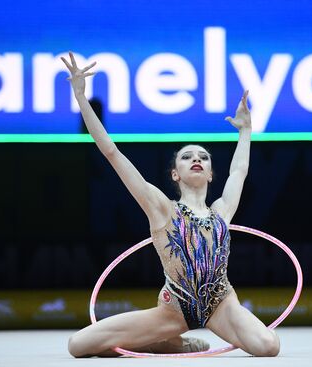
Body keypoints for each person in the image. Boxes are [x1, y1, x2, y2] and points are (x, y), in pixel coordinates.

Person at [61, 52, 280, 357]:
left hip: (221, 304)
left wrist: (245, 130)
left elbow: (240, 171)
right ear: (175, 173)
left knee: (268, 346)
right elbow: (112, 153)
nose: (197, 159)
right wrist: (82, 98)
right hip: (173, 310)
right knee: (78, 345)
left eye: (203, 157)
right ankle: (171, 343)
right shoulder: (162, 208)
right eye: (188, 156)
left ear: (211, 172)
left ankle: (161, 343)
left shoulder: (221, 210)